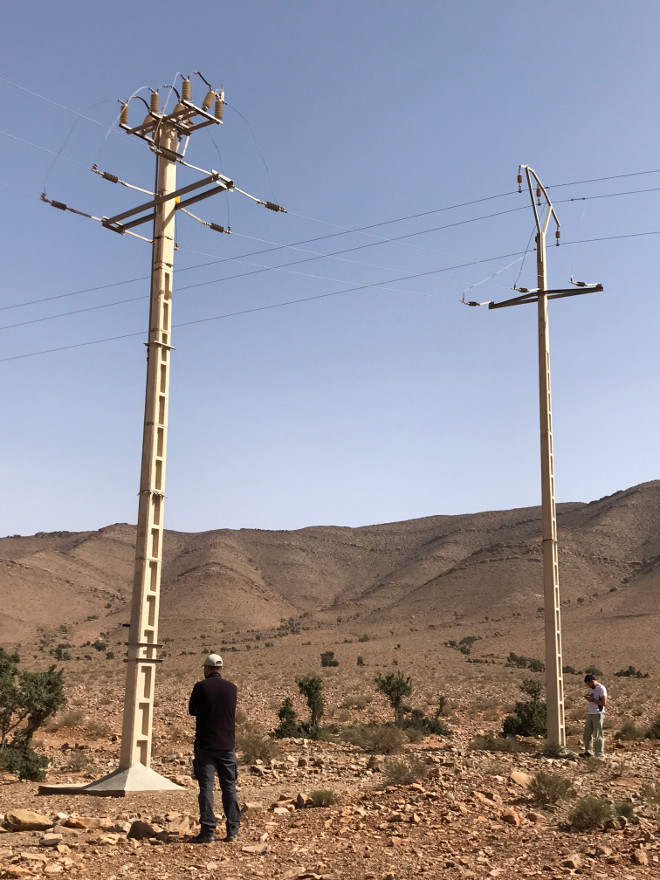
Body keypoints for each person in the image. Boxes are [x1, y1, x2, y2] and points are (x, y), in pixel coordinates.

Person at [188, 653, 240, 843]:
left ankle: (208, 831)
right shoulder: (232, 688)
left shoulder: (200, 687)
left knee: (206, 788)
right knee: (229, 788)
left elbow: (192, 710)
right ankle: (233, 831)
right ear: (221, 669)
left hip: (205, 745)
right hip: (227, 745)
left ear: (207, 669)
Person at [581, 673, 607, 758]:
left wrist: (592, 700)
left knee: (598, 734)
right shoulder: (592, 689)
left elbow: (603, 702)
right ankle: (588, 752)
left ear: (592, 681)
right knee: (587, 734)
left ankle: (599, 754)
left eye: (588, 684)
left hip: (598, 714)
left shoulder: (601, 688)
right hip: (590, 714)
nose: (588, 686)